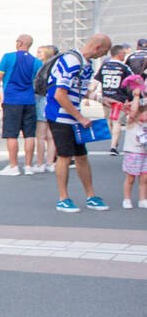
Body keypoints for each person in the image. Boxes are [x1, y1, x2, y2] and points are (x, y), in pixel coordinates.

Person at [46, 33, 112, 213]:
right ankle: (63, 198)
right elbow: (60, 94)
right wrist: (80, 118)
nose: (103, 56)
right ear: (97, 47)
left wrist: (100, 99)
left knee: (81, 156)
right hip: (60, 116)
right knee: (65, 156)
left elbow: (78, 89)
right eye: (104, 52)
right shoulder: (72, 61)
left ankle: (91, 196)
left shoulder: (85, 63)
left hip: (72, 116)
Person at [0, 34, 40, 174]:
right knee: (29, 134)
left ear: (19, 43)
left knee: (12, 134)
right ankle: (28, 166)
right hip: (29, 100)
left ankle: (13, 166)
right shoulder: (36, 61)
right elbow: (38, 81)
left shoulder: (8, 57)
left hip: (12, 100)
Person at [95, 45, 133, 155]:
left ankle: (113, 141)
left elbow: (96, 81)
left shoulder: (104, 66)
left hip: (106, 97)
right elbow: (133, 80)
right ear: (120, 54)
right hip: (119, 98)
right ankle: (113, 145)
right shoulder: (124, 67)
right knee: (117, 122)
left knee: (109, 121)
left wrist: (94, 94)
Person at [118, 76, 146, 208]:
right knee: (130, 178)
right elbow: (134, 111)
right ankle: (127, 199)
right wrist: (136, 96)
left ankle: (142, 199)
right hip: (133, 152)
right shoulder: (132, 121)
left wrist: (141, 88)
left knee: (144, 178)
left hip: (144, 153)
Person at [32, 45, 59, 172]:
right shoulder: (57, 66)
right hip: (54, 100)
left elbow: (38, 85)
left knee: (41, 135)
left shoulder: (43, 68)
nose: (38, 54)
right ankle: (50, 162)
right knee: (51, 135)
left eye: (40, 52)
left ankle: (40, 163)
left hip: (42, 99)